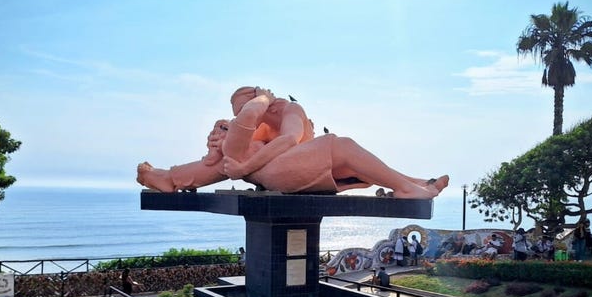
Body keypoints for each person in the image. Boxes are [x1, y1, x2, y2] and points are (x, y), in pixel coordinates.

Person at [137, 86, 450, 199]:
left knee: (343, 152)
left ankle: (417, 182)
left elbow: (288, 139)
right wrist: (244, 156)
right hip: (274, 173)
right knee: (340, 146)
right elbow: (248, 130)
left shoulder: (288, 111)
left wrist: (260, 100)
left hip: (282, 169)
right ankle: (409, 187)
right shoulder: (252, 131)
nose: (245, 117)